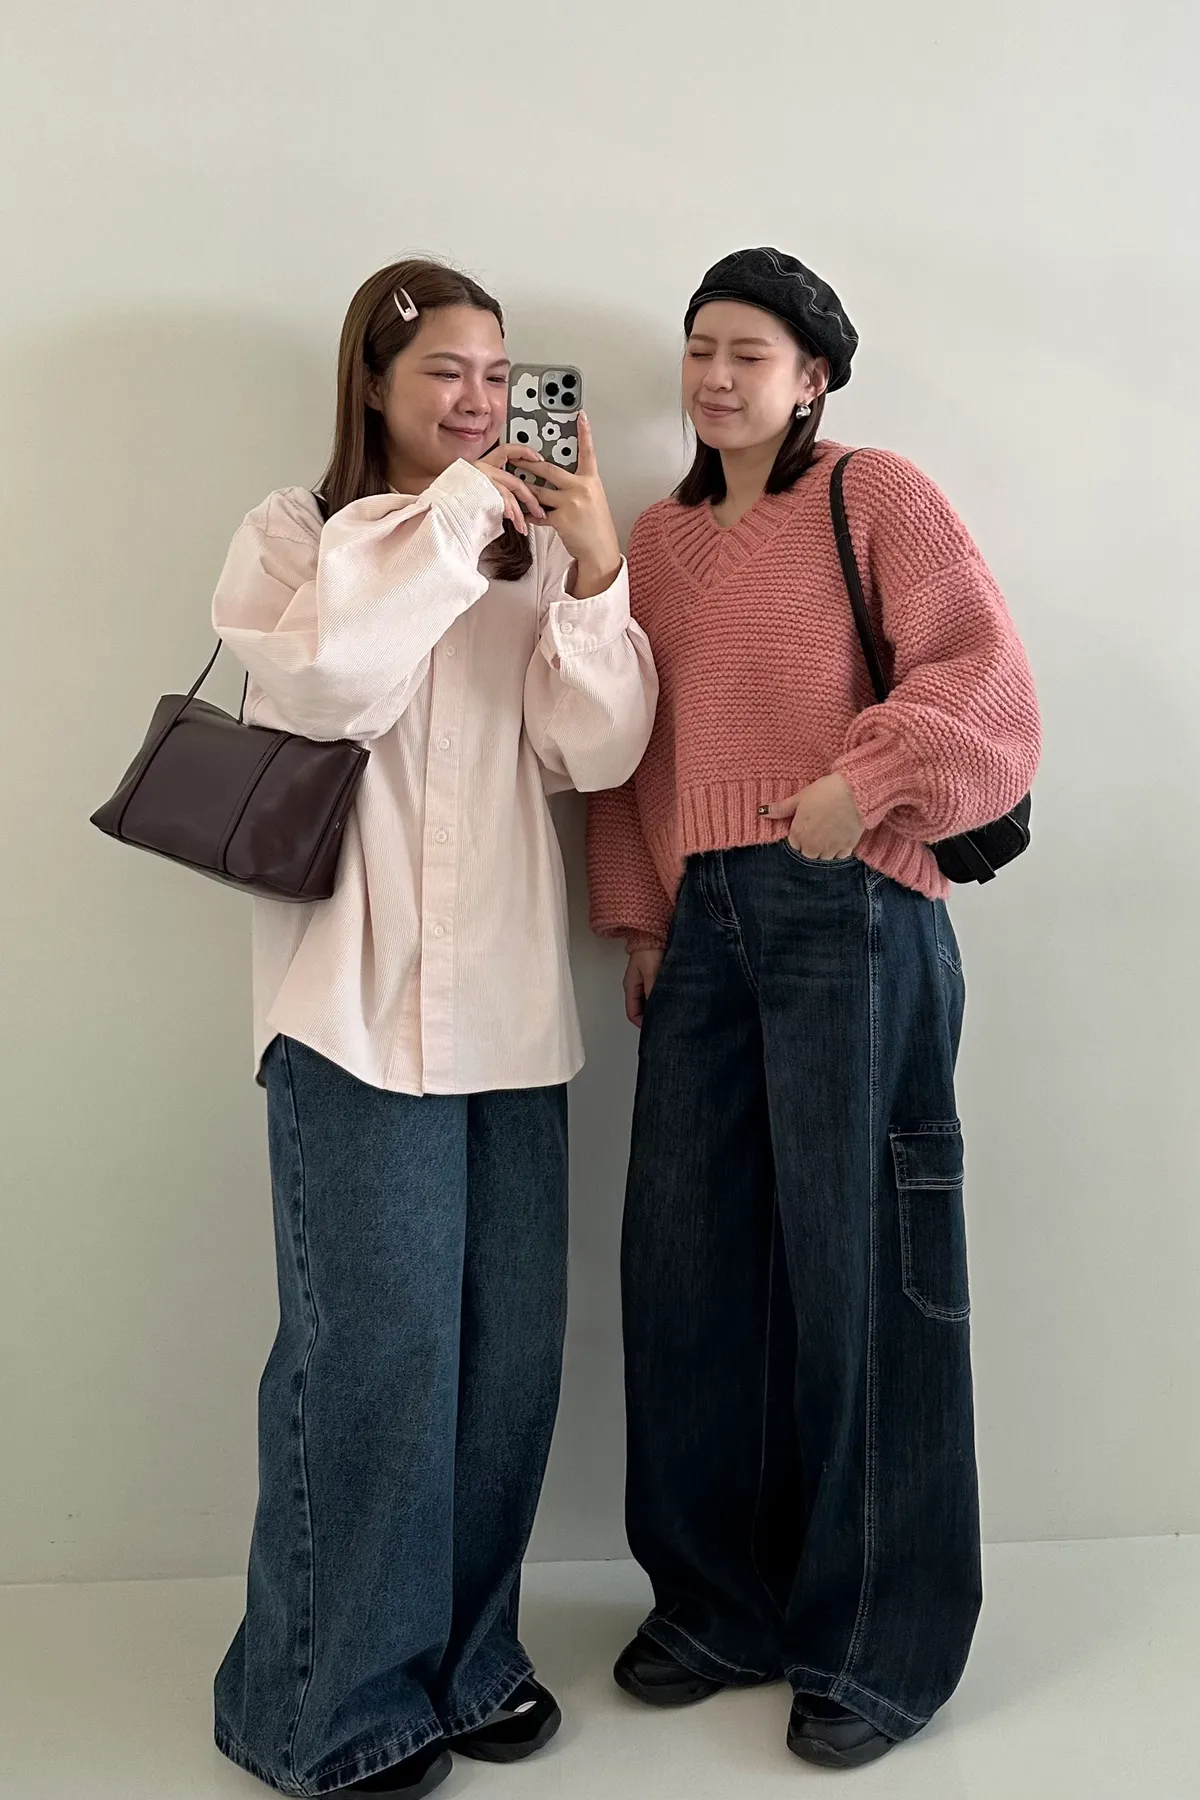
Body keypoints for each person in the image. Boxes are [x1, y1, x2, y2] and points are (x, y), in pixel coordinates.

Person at [587, 247, 1040, 1770]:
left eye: (751, 354)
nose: (716, 378)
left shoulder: (873, 496)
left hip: (852, 906)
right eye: (700, 349)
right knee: (686, 1268)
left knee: (862, 1270)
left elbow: (987, 684)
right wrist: (644, 917)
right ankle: (719, 1604)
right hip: (704, 929)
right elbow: (637, 749)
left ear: (812, 379)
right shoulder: (658, 539)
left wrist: (870, 780)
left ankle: (877, 1644)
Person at [210, 257, 657, 1799]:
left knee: (504, 1363)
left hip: (514, 1018)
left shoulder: (528, 554)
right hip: (349, 1013)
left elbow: (599, 750)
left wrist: (591, 570)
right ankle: (321, 1707)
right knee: (374, 1356)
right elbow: (329, 678)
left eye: (497, 373)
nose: (479, 402)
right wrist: (470, 513)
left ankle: (465, 1667)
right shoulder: (296, 534)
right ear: (375, 385)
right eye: (445, 374)